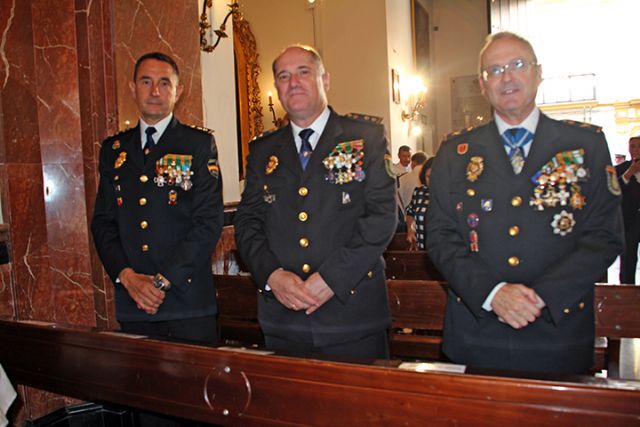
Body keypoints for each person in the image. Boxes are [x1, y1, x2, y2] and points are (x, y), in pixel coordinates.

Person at [426, 32, 623, 374]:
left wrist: (541, 297)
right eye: (494, 70)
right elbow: (440, 236)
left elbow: (605, 235)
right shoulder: (455, 152)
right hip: (477, 330)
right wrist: (494, 293)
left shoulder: (585, 144)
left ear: (538, 72)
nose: (507, 77)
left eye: (517, 65)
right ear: (482, 85)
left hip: (557, 328)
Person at [234, 45, 397, 359]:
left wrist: (332, 279)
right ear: (278, 89)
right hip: (284, 316)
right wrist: (272, 276)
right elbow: (247, 222)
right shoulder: (262, 151)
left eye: (303, 72)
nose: (293, 82)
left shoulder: (365, 136)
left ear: (325, 79)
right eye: (283, 76)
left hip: (352, 314)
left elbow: (382, 216)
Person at [91, 52, 223, 345]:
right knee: (141, 390)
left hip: (187, 303)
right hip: (134, 303)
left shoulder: (198, 144)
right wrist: (127, 277)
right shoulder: (114, 150)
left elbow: (208, 223)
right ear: (132, 88)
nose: (154, 91)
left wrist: (163, 282)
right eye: (146, 81)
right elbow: (103, 224)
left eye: (164, 83)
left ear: (178, 90)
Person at [616, 136, 640, 284]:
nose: (635, 150)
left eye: (638, 146)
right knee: (628, 256)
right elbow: (613, 190)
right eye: (632, 146)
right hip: (629, 219)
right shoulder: (620, 169)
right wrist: (629, 173)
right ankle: (626, 290)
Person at [406, 157, 434, 250]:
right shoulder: (419, 192)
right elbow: (410, 212)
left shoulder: (450, 194)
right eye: (428, 177)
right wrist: (410, 229)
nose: (431, 180)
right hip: (422, 247)